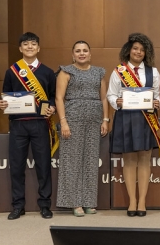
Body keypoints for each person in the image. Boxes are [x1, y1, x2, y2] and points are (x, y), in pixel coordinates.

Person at [0, 32, 56, 220]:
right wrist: (2, 104)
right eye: (25, 44)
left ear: (38, 48)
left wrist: (52, 107)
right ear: (20, 48)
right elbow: (5, 96)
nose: (29, 47)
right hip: (18, 125)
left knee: (43, 166)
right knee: (16, 166)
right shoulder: (11, 71)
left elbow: (53, 96)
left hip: (40, 124)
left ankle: (45, 205)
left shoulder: (47, 71)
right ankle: (18, 206)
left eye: (33, 44)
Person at [107, 33, 160, 217]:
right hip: (126, 118)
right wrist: (118, 102)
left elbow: (158, 95)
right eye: (135, 48)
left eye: (142, 49)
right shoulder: (118, 71)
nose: (138, 52)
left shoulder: (153, 72)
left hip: (146, 119)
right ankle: (132, 202)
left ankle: (142, 202)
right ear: (129, 50)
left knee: (145, 160)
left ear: (146, 52)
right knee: (129, 160)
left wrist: (157, 102)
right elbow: (111, 95)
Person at [56, 40, 108, 217]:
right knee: (72, 162)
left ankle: (88, 202)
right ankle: (74, 202)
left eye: (85, 50)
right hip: (72, 121)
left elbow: (103, 99)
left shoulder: (99, 72)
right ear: (73, 55)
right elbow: (58, 98)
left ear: (90, 54)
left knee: (90, 162)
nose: (82, 53)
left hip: (94, 122)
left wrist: (105, 120)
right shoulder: (66, 71)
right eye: (78, 51)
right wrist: (63, 122)